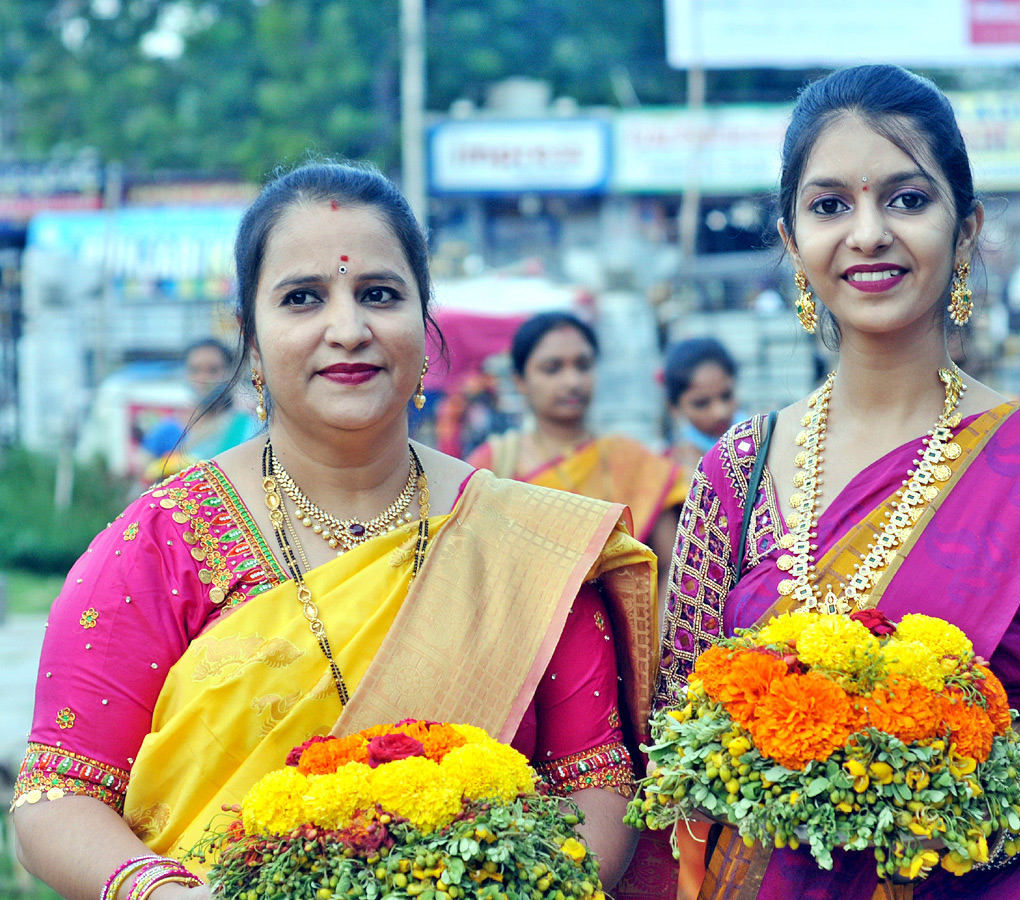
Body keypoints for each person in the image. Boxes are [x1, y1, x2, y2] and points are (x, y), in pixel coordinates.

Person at [11, 161, 658, 900]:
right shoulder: (163, 543)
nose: (347, 329)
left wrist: (507, 887)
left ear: (425, 327)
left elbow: (596, 778)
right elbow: (58, 794)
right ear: (252, 340)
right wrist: (166, 894)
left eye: (379, 294)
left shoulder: (525, 539)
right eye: (302, 298)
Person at [655, 65, 1020, 900]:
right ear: (791, 242)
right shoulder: (736, 472)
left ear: (965, 232)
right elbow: (676, 715)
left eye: (905, 199)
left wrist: (992, 799)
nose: (867, 234)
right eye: (830, 206)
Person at [468, 311, 689, 595]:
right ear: (520, 380)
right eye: (552, 368)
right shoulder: (492, 466)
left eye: (583, 365)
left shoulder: (632, 461)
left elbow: (672, 567)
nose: (573, 381)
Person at [136, 338, 260, 483]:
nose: (203, 378)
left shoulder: (245, 425)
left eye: (213, 370)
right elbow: (143, 482)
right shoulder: (167, 430)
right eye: (195, 370)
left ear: (231, 373)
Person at [663, 337, 740, 476]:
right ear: (674, 408)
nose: (720, 412)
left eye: (726, 396)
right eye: (701, 403)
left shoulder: (766, 444)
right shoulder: (669, 472)